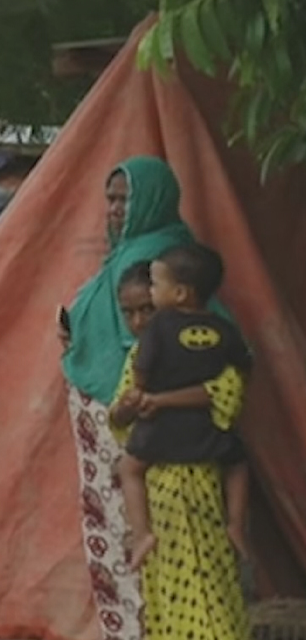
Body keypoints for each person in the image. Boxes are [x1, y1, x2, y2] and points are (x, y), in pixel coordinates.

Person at [58, 156, 237, 640]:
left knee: (149, 540)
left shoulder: (165, 262)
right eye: (111, 198)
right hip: (117, 416)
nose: (114, 208)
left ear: (151, 199)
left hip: (147, 425)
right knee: (129, 535)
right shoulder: (129, 256)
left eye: (125, 198)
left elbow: (211, 346)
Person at [106, 261, 250, 640]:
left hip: (200, 485)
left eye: (147, 308)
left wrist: (156, 400)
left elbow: (228, 393)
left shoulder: (193, 356)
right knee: (173, 587)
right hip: (159, 497)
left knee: (208, 584)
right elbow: (119, 417)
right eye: (129, 313)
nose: (139, 321)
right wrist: (128, 406)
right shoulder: (141, 355)